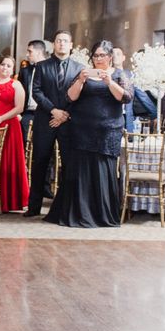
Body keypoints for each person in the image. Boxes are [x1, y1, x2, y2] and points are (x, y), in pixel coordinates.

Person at [45, 40, 133, 228]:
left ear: (110, 57)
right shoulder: (82, 73)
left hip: (108, 131)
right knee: (81, 170)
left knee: (103, 169)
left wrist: (108, 82)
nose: (98, 59)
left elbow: (125, 97)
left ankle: (102, 214)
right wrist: (81, 80)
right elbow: (70, 97)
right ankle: (78, 212)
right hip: (82, 129)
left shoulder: (119, 75)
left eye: (102, 55)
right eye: (95, 55)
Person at [25, 30, 83, 217]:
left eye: (65, 41)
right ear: (54, 44)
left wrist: (64, 114)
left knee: (68, 164)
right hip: (45, 121)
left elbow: (80, 95)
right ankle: (34, 207)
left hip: (68, 122)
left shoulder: (79, 68)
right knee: (40, 163)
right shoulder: (42, 66)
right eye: (58, 41)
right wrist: (54, 111)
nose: (62, 44)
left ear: (71, 45)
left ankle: (64, 207)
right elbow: (36, 92)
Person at [0, 56, 29, 212]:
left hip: (9, 126)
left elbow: (20, 107)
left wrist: (1, 117)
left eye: (9, 66)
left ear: (12, 69)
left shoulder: (17, 85)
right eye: (3, 64)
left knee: (7, 161)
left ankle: (8, 200)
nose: (5, 68)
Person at [113, 47, 158, 131]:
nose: (115, 56)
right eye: (112, 54)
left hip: (127, 117)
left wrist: (155, 114)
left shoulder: (131, 75)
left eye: (118, 54)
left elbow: (142, 96)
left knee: (128, 141)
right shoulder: (107, 75)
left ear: (123, 57)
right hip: (111, 117)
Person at [18, 39, 47, 145]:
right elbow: (20, 92)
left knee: (43, 145)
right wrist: (19, 113)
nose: (27, 54)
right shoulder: (25, 71)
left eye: (30, 51)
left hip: (46, 113)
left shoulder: (50, 68)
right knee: (25, 145)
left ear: (39, 52)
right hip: (27, 113)